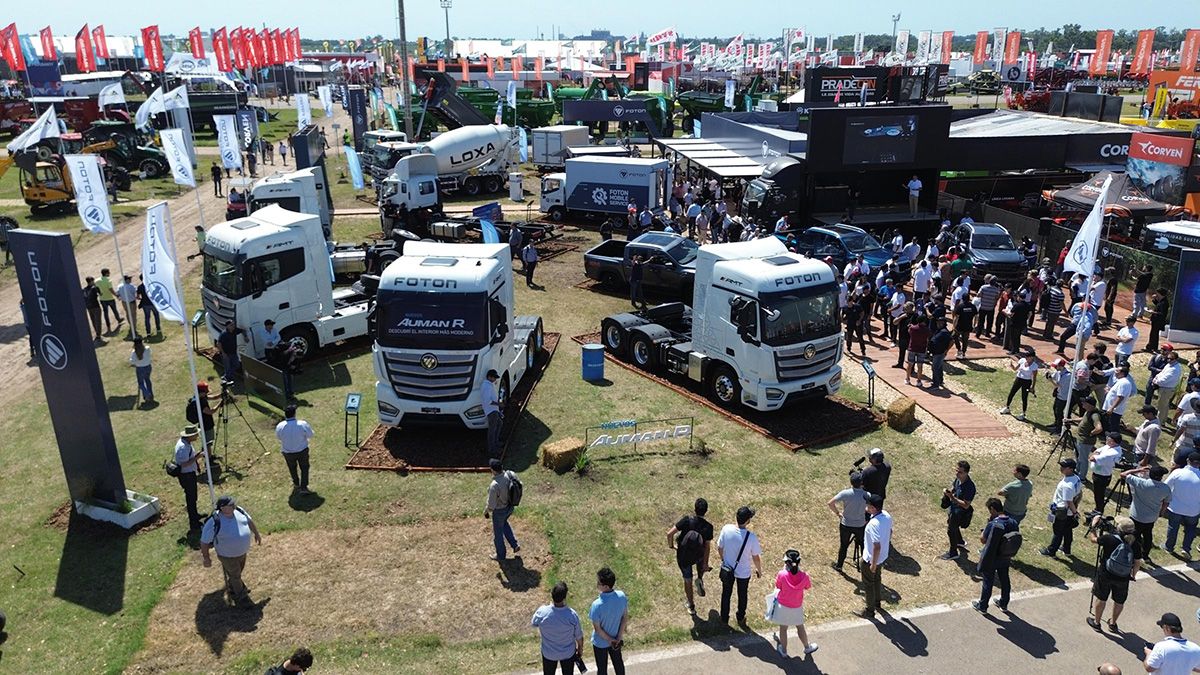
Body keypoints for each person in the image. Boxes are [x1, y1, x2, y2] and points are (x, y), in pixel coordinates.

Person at [199, 495, 262, 607]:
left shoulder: (239, 511)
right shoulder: (214, 521)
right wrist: (206, 558)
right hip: (227, 555)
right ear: (222, 508)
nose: (233, 506)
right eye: (230, 505)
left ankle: (233, 588)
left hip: (242, 552)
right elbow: (204, 542)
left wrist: (256, 534)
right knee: (235, 575)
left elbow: (249, 521)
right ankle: (242, 598)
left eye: (233, 504)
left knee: (237, 572)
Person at [1088, 515, 1142, 632]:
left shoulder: (1109, 538)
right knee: (1119, 601)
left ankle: (1097, 622)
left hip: (1106, 573)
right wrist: (1133, 575)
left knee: (1101, 598)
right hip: (1123, 577)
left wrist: (1093, 527)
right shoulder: (1135, 544)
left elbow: (1093, 540)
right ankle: (1113, 623)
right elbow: (1137, 562)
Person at [767, 549, 819, 657]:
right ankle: (806, 647)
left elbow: (778, 586)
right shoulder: (805, 576)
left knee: (783, 629)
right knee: (800, 627)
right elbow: (807, 586)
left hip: (783, 606)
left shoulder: (782, 574)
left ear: (786, 562)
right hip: (797, 607)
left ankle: (784, 651)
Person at [666, 498, 713, 614]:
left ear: (695, 509)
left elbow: (669, 533)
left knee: (687, 579)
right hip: (699, 554)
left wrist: (671, 546)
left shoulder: (687, 520)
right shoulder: (708, 527)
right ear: (706, 511)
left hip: (684, 555)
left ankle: (691, 605)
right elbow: (707, 547)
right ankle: (700, 579)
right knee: (699, 565)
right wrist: (705, 564)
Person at [717, 505, 762, 627]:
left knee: (726, 593)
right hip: (743, 572)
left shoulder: (726, 529)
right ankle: (740, 617)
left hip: (727, 568)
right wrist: (759, 570)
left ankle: (724, 618)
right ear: (747, 521)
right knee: (742, 595)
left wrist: (724, 560)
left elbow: (719, 547)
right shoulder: (751, 537)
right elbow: (756, 557)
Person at [972, 497, 1019, 613]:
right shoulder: (1013, 522)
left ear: (992, 509)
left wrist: (986, 526)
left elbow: (983, 540)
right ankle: (1004, 603)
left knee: (988, 581)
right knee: (1005, 579)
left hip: (991, 557)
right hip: (1005, 556)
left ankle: (982, 606)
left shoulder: (993, 524)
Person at [1122, 464, 1172, 564]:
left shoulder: (1140, 482)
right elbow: (1166, 502)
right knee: (1147, 536)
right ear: (1161, 477)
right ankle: (1145, 556)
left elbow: (1123, 474)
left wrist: (1139, 469)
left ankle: (1131, 555)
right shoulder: (1165, 488)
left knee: (1133, 536)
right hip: (1151, 517)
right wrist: (1161, 513)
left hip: (1136, 515)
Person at [531, 582, 584, 675]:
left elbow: (534, 623)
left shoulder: (542, 612)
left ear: (551, 595)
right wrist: (580, 650)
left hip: (549, 654)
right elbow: (579, 637)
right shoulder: (572, 615)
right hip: (568, 654)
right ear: (565, 597)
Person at [1041, 458, 1083, 558]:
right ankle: (1066, 549)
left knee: (1058, 532)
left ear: (1071, 469)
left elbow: (1069, 501)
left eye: (1064, 467)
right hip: (1069, 512)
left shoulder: (1067, 486)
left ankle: (1051, 551)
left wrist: (1074, 512)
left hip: (1062, 511)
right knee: (1067, 531)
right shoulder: (1076, 478)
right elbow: (1079, 494)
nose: (1061, 468)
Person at [589, 567, 628, 675]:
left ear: (605, 586)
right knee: (619, 665)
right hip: (616, 639)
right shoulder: (622, 596)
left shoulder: (596, 605)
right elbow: (624, 618)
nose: (597, 584)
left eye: (599, 582)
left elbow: (597, 629)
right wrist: (618, 638)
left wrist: (610, 640)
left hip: (600, 643)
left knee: (602, 669)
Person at [827, 472, 869, 571]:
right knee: (863, 545)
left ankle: (839, 565)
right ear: (862, 483)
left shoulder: (845, 493)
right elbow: (870, 508)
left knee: (844, 545)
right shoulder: (867, 495)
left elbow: (830, 503)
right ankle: (865, 567)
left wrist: (838, 513)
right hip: (860, 525)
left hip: (846, 524)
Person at [859, 494, 892, 620]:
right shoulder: (887, 516)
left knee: (869, 584)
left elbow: (876, 546)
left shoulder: (873, 524)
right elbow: (890, 532)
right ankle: (877, 602)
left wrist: (872, 563)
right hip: (882, 557)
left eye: (868, 505)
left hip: (870, 559)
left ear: (873, 508)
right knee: (877, 579)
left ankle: (869, 610)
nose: (866, 506)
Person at [1164, 452, 1200, 558]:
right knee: (1191, 529)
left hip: (1175, 507)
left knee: (1173, 527)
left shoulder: (1178, 473)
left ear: (1188, 461)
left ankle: (1169, 547)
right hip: (1193, 510)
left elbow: (1166, 487)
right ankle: (1186, 548)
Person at [485, 458, 520, 561]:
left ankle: (500, 556)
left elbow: (491, 505)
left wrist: (486, 511)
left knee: (498, 535)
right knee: (504, 523)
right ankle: (514, 544)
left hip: (499, 511)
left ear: (493, 470)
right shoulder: (509, 475)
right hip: (510, 507)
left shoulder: (494, 485)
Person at [941, 460, 976, 560]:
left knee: (951, 530)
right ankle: (960, 541)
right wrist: (949, 492)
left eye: (960, 472)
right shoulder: (958, 479)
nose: (957, 473)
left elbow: (966, 505)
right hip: (953, 509)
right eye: (956, 470)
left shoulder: (969, 487)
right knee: (952, 525)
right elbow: (954, 488)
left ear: (966, 473)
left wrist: (951, 497)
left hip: (960, 513)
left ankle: (953, 552)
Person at [173, 425, 206, 531]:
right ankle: (194, 523)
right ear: (190, 436)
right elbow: (184, 464)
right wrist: (197, 457)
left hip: (189, 475)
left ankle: (195, 515)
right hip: (186, 476)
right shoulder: (183, 447)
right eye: (196, 434)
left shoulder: (186, 444)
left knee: (193, 497)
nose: (197, 436)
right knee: (191, 499)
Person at [275, 405, 314, 495]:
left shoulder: (280, 426)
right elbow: (310, 435)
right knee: (304, 468)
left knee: (292, 468)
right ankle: (304, 487)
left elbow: (278, 437)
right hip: (302, 450)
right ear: (294, 414)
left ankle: (296, 483)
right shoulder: (302, 424)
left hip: (288, 452)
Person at [1090, 432, 1125, 512]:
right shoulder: (1108, 446)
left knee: (1099, 496)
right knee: (1098, 495)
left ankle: (1099, 511)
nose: (1106, 439)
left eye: (1108, 439)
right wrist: (1096, 454)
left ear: (1113, 441)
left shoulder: (1112, 453)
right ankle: (1097, 509)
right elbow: (1096, 451)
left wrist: (1095, 455)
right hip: (1098, 473)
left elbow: (1092, 458)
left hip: (1101, 477)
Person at [999, 352, 1039, 421]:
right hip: (1018, 379)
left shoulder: (1034, 366)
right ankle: (1007, 407)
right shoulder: (1022, 360)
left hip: (1027, 382)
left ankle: (1023, 414)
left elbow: (1034, 377)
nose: (1026, 358)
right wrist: (1012, 366)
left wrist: (1032, 387)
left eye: (1028, 357)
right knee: (1011, 393)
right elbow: (1015, 369)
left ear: (1032, 357)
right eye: (1026, 357)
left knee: (1024, 397)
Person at [1152, 350, 1185, 424]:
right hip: (1165, 388)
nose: (1169, 360)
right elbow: (1162, 373)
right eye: (1168, 358)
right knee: (1165, 405)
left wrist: (1156, 381)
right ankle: (1163, 420)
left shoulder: (1174, 369)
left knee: (1161, 407)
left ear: (1176, 359)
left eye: (1171, 359)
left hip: (1166, 389)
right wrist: (1156, 377)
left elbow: (1164, 380)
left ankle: (1159, 422)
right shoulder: (1169, 365)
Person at [1102, 365, 1136, 433]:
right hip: (1112, 409)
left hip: (1114, 411)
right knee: (1107, 425)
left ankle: (1114, 441)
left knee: (1113, 427)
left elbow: (1120, 397)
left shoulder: (1124, 383)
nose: (1115, 372)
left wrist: (1112, 408)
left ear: (1122, 373)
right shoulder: (1121, 381)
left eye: (1117, 371)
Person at [927, 318, 953, 389]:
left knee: (935, 368)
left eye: (940, 322)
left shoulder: (944, 332)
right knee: (939, 367)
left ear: (944, 323)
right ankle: (940, 381)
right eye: (938, 322)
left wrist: (946, 351)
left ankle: (936, 385)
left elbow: (951, 341)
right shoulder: (939, 330)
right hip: (935, 352)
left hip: (940, 353)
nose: (938, 324)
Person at [905, 315, 930, 387]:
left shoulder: (912, 328)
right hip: (921, 349)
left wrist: (911, 325)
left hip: (912, 348)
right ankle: (919, 381)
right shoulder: (927, 330)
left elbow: (909, 331)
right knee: (920, 366)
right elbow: (928, 338)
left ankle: (907, 379)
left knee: (909, 365)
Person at [482, 370, 503, 457]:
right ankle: (492, 449)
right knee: (492, 430)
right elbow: (488, 401)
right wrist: (499, 404)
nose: (495, 379)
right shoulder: (486, 386)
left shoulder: (488, 385)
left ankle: (496, 443)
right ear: (489, 377)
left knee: (499, 424)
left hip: (494, 410)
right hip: (491, 411)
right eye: (494, 377)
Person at [95, 268, 121, 333]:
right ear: (106, 273)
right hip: (110, 298)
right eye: (109, 272)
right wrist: (116, 295)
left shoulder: (97, 280)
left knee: (105, 313)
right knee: (114, 310)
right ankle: (118, 319)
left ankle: (108, 327)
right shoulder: (108, 280)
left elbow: (96, 288)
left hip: (102, 299)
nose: (109, 273)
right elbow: (111, 290)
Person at [129, 337, 153, 405]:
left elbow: (131, 361)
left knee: (141, 383)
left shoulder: (134, 352)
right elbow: (150, 353)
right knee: (147, 380)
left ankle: (147, 394)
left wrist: (135, 364)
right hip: (148, 367)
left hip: (140, 368)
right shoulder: (147, 349)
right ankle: (150, 394)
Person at [1146, 288, 1170, 353]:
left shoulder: (1164, 302)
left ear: (1160, 293)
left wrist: (1153, 312)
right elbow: (1158, 305)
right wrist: (1154, 299)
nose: (1156, 294)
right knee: (1154, 334)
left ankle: (1151, 347)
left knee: (1154, 334)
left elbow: (1162, 313)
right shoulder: (1162, 301)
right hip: (1156, 320)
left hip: (1158, 321)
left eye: (1157, 293)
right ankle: (1152, 347)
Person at [82, 277, 103, 341]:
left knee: (93, 321)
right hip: (95, 306)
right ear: (91, 281)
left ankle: (97, 333)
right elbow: (101, 294)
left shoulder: (84, 289)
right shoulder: (95, 288)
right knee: (98, 321)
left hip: (89, 307)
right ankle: (98, 335)